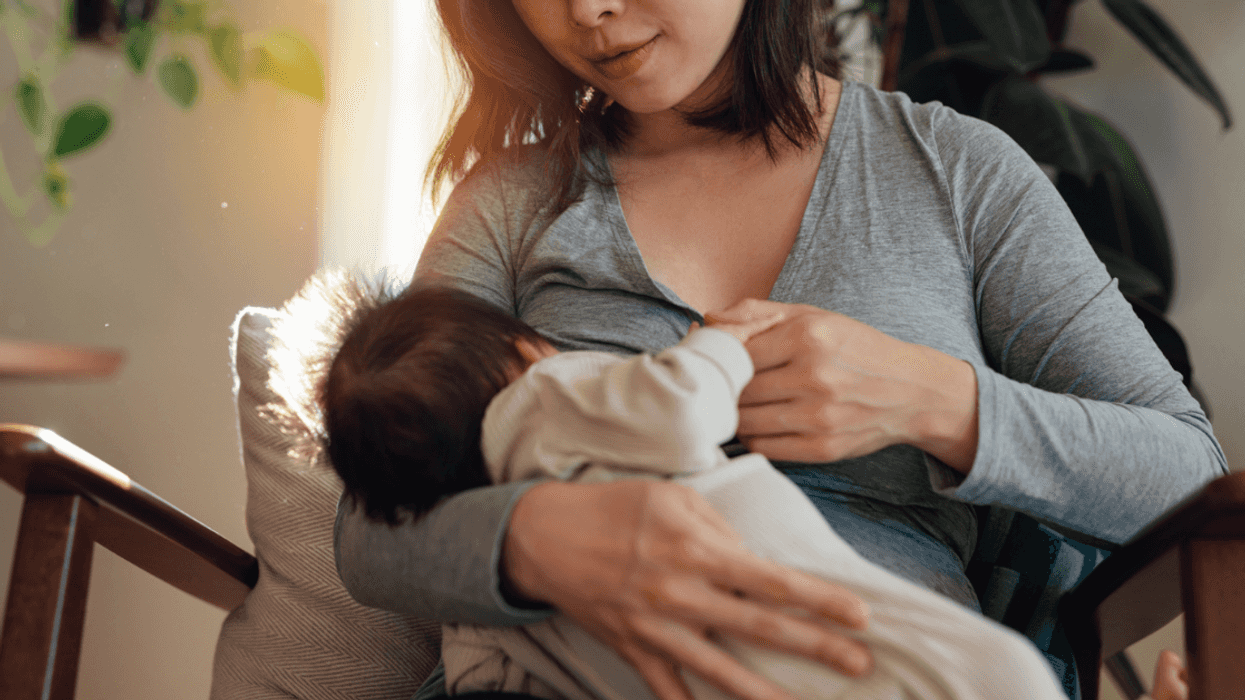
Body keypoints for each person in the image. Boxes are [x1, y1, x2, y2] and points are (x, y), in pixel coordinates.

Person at [333, 0, 1230, 698]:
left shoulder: (957, 172)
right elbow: (369, 528)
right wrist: (533, 539)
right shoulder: (511, 204)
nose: (587, 11)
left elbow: (1187, 474)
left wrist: (935, 400)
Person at [322, 284, 1069, 700]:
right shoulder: (543, 393)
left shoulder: (955, 166)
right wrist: (722, 342)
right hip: (791, 589)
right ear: (525, 347)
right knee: (999, 679)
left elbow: (481, 672)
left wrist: (937, 401)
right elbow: (678, 402)